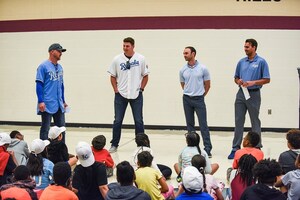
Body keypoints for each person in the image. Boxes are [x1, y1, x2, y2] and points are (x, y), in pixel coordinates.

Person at [228, 38, 271, 159]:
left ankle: (257, 146)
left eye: (247, 47)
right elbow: (235, 77)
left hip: (254, 94)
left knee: (254, 121)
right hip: (241, 93)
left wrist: (253, 82)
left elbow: (267, 79)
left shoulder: (261, 62)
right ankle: (235, 148)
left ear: (254, 47)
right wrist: (238, 81)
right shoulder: (241, 62)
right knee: (238, 121)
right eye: (244, 46)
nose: (245, 49)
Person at [107, 37, 149, 153]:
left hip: (136, 94)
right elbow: (112, 76)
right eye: (124, 46)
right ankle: (114, 144)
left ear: (133, 46)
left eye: (127, 46)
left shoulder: (141, 59)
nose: (125, 48)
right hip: (121, 94)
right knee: (118, 120)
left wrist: (141, 89)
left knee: (139, 120)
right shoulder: (117, 59)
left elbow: (145, 75)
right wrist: (116, 90)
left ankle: (141, 145)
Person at [179, 46, 212, 157]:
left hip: (199, 99)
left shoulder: (203, 68)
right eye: (184, 53)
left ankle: (207, 148)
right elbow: (183, 84)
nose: (184, 55)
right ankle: (192, 147)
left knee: (203, 125)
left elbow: (207, 84)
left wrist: (202, 95)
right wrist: (189, 92)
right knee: (190, 125)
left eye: (186, 53)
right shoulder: (182, 70)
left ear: (193, 54)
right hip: (187, 99)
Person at [36, 43, 68, 143]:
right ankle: (43, 151)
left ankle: (61, 150)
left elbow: (61, 85)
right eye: (59, 51)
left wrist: (63, 100)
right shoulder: (43, 66)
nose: (61, 53)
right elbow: (39, 84)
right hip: (47, 103)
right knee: (45, 128)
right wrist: (41, 101)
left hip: (58, 103)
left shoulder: (60, 68)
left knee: (62, 129)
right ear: (51, 51)